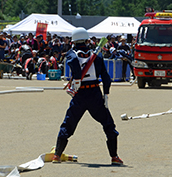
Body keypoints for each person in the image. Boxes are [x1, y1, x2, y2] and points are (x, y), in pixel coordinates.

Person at [52, 27, 123, 165]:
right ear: (87, 40)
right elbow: (106, 78)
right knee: (108, 124)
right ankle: (114, 157)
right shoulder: (96, 55)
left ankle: (57, 155)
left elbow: (72, 62)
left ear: (73, 41)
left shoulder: (72, 54)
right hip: (95, 94)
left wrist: (77, 79)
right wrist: (106, 94)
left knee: (68, 123)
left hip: (80, 94)